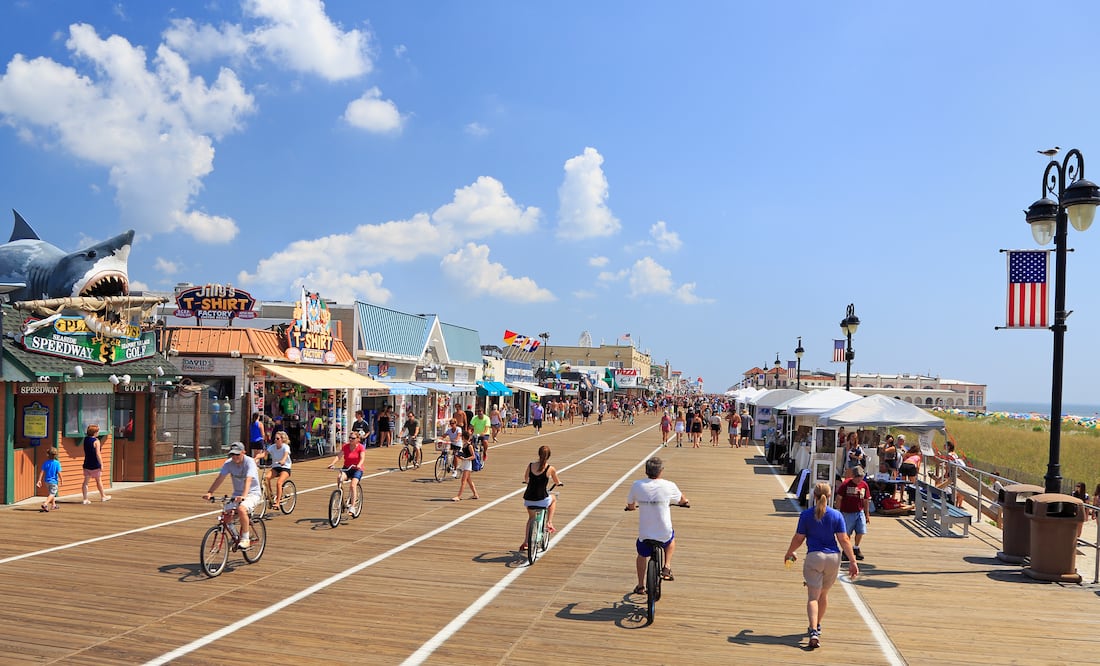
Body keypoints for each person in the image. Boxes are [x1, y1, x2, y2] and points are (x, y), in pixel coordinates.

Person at [784, 482, 859, 649]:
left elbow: (799, 538)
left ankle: (813, 632)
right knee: (823, 595)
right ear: (830, 496)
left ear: (814, 495)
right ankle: (817, 625)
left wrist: (789, 552)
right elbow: (844, 539)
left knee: (813, 597)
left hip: (814, 557)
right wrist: (853, 561)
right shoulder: (836, 515)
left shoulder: (806, 515)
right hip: (833, 558)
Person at [625, 457, 690, 595]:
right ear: (661, 471)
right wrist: (684, 502)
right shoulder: (669, 485)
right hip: (663, 532)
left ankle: (640, 585)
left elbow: (630, 504)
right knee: (671, 539)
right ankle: (666, 566)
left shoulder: (637, 485)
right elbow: (682, 500)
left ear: (646, 471)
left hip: (645, 533)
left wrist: (631, 508)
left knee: (641, 555)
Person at [202, 442, 263, 549]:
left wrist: (244, 496)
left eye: (237, 454)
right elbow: (220, 478)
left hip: (252, 493)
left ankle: (245, 538)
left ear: (244, 452)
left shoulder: (250, 463)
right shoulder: (228, 463)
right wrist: (210, 492)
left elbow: (248, 480)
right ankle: (235, 536)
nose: (235, 457)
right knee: (226, 516)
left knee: (241, 509)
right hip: (237, 494)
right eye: (232, 455)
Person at [521, 445, 563, 551]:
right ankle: (549, 522)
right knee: (553, 498)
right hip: (542, 499)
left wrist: (530, 482)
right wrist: (559, 483)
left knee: (531, 519)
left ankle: (526, 542)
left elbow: (526, 479)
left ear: (538, 454)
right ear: (548, 456)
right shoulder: (550, 469)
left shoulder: (530, 466)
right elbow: (557, 482)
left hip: (529, 499)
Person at [835, 466, 870, 561]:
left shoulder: (864, 485)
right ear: (853, 476)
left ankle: (856, 547)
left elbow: (866, 500)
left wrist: (867, 514)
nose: (859, 479)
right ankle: (846, 550)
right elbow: (839, 498)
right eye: (857, 476)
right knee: (847, 532)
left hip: (859, 511)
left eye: (861, 476)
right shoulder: (846, 484)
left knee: (861, 530)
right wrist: (838, 511)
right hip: (847, 512)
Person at [327, 432, 366, 511]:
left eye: (353, 438)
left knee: (353, 485)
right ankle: (340, 495)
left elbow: (362, 458)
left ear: (358, 439)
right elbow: (339, 456)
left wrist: (359, 464)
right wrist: (332, 463)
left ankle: (353, 506)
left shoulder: (361, 447)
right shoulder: (345, 446)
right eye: (350, 438)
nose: (351, 440)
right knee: (339, 478)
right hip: (347, 468)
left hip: (357, 469)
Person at [259, 431, 293, 509]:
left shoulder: (285, 447)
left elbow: (286, 454)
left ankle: (277, 502)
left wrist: (283, 460)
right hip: (276, 467)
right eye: (275, 438)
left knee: (279, 483)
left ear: (282, 439)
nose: (275, 440)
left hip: (285, 467)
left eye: (277, 438)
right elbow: (264, 454)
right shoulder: (272, 447)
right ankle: (270, 495)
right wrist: (256, 458)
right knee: (266, 478)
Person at [81, 424, 112, 504]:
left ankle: (85, 499)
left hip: (87, 463)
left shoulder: (86, 439)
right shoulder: (96, 441)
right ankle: (103, 496)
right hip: (95, 464)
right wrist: (101, 464)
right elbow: (98, 453)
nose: (98, 433)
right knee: (98, 481)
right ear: (94, 433)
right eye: (97, 431)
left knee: (85, 482)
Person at [451, 430, 479, 502]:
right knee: (469, 480)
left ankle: (459, 496)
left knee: (463, 481)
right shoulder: (464, 445)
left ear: (463, 437)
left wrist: (466, 458)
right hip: (464, 463)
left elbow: (473, 456)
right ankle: (475, 494)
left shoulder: (469, 446)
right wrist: (460, 456)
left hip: (468, 464)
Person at [37, 447, 62, 512]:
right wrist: (62, 479)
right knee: (52, 493)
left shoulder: (46, 463)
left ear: (48, 454)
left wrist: (39, 480)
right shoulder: (57, 463)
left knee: (51, 493)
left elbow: (42, 472)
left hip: (47, 481)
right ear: (56, 455)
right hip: (54, 481)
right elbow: (59, 472)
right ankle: (45, 504)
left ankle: (53, 505)